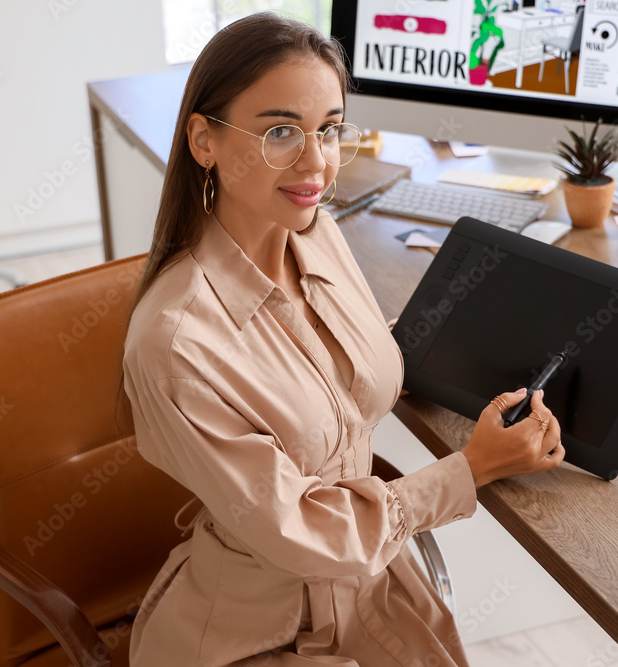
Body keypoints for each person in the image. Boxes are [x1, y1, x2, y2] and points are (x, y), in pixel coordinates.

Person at [120, 12, 565, 666]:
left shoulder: (312, 230)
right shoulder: (177, 343)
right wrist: (472, 468)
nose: (316, 163)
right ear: (204, 140)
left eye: (329, 130)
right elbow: (297, 528)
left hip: (373, 586)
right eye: (280, 132)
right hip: (255, 631)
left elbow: (339, 363)